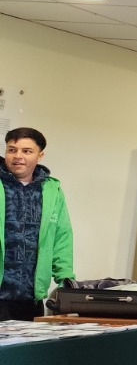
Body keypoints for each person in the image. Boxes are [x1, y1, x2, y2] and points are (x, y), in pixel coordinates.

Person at [0, 127, 73, 322]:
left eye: (27, 151)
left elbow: (61, 236)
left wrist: (65, 278)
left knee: (25, 351)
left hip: (31, 296)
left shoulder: (51, 190)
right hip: (1, 292)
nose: (18, 156)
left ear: (40, 155)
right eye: (12, 149)